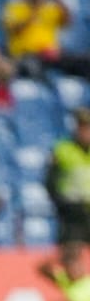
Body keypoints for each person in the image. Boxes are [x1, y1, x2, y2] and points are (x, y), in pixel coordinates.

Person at [47, 106, 90, 275]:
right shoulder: (63, 149)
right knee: (71, 256)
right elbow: (50, 182)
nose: (85, 132)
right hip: (72, 215)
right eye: (82, 127)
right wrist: (63, 203)